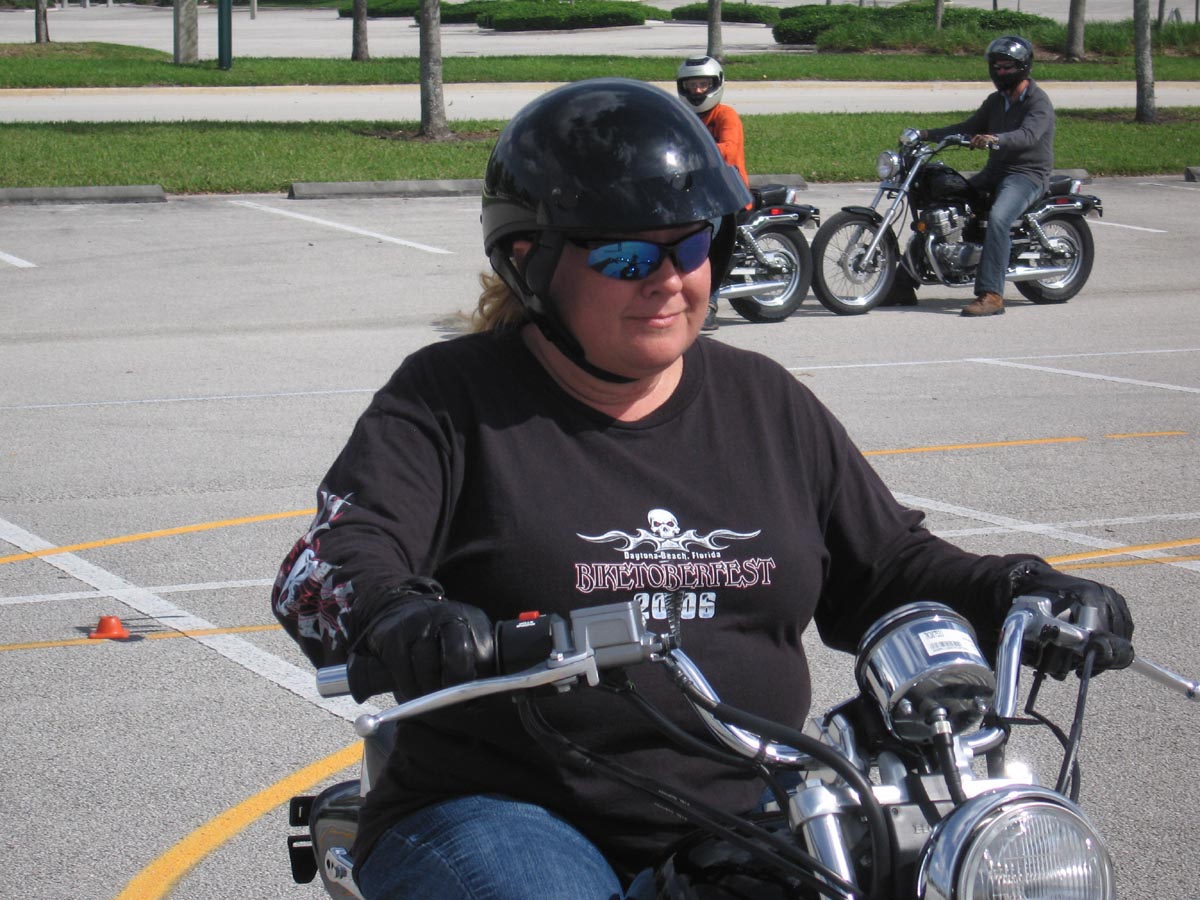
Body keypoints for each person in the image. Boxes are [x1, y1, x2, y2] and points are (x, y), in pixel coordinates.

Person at [271, 78, 1132, 900]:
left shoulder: (764, 402)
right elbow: (329, 560)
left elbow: (889, 564)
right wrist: (400, 617)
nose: (668, 278)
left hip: (752, 804)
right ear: (531, 261)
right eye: (624, 254)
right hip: (502, 806)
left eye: (690, 246)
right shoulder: (450, 400)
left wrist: (1016, 589)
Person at [897, 35, 1055, 316]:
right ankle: (901, 284)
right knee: (944, 207)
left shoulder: (1038, 102)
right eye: (997, 66)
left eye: (1007, 67)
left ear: (1023, 67)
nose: (1001, 72)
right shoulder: (996, 101)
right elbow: (969, 127)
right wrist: (926, 134)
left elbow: (1028, 136)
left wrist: (996, 139)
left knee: (998, 218)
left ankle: (992, 295)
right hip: (995, 172)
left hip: (1027, 175)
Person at [676, 55, 749, 333]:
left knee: (704, 236)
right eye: (691, 84)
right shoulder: (682, 117)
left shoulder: (724, 115)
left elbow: (729, 149)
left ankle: (710, 303)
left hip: (727, 192)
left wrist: (692, 152)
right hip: (694, 192)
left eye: (703, 84)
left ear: (716, 85)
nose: (697, 90)